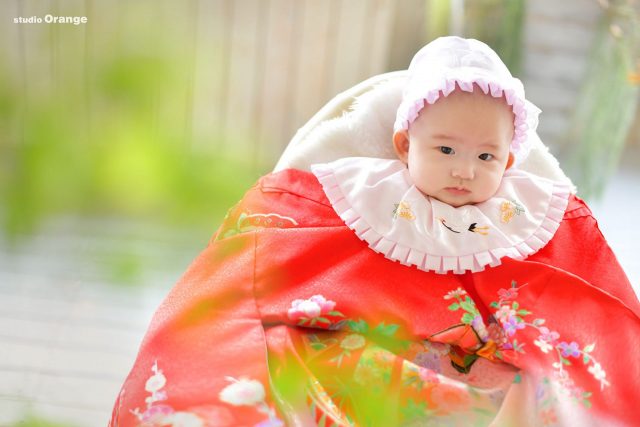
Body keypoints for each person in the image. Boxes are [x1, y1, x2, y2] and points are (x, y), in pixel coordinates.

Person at [110, 37, 640, 427]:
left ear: (510, 159)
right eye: (445, 150)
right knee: (264, 357)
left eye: (486, 156)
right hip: (364, 356)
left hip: (479, 382)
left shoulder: (529, 212)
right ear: (405, 145)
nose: (464, 170)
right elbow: (275, 246)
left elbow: (585, 299)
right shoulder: (354, 191)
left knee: (558, 386)